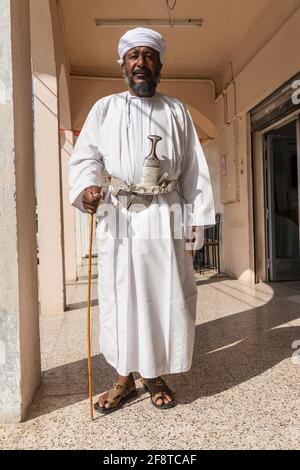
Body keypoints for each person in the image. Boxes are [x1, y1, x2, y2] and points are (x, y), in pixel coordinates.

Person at [69, 27, 215, 414]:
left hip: (165, 216)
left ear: (159, 65)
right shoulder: (105, 109)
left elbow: (193, 171)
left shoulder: (176, 110)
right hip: (119, 216)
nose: (140, 63)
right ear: (123, 64)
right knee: (121, 297)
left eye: (148, 56)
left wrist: (195, 220)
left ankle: (152, 374)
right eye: (133, 56)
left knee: (161, 296)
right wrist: (86, 188)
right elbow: (86, 159)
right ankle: (123, 378)